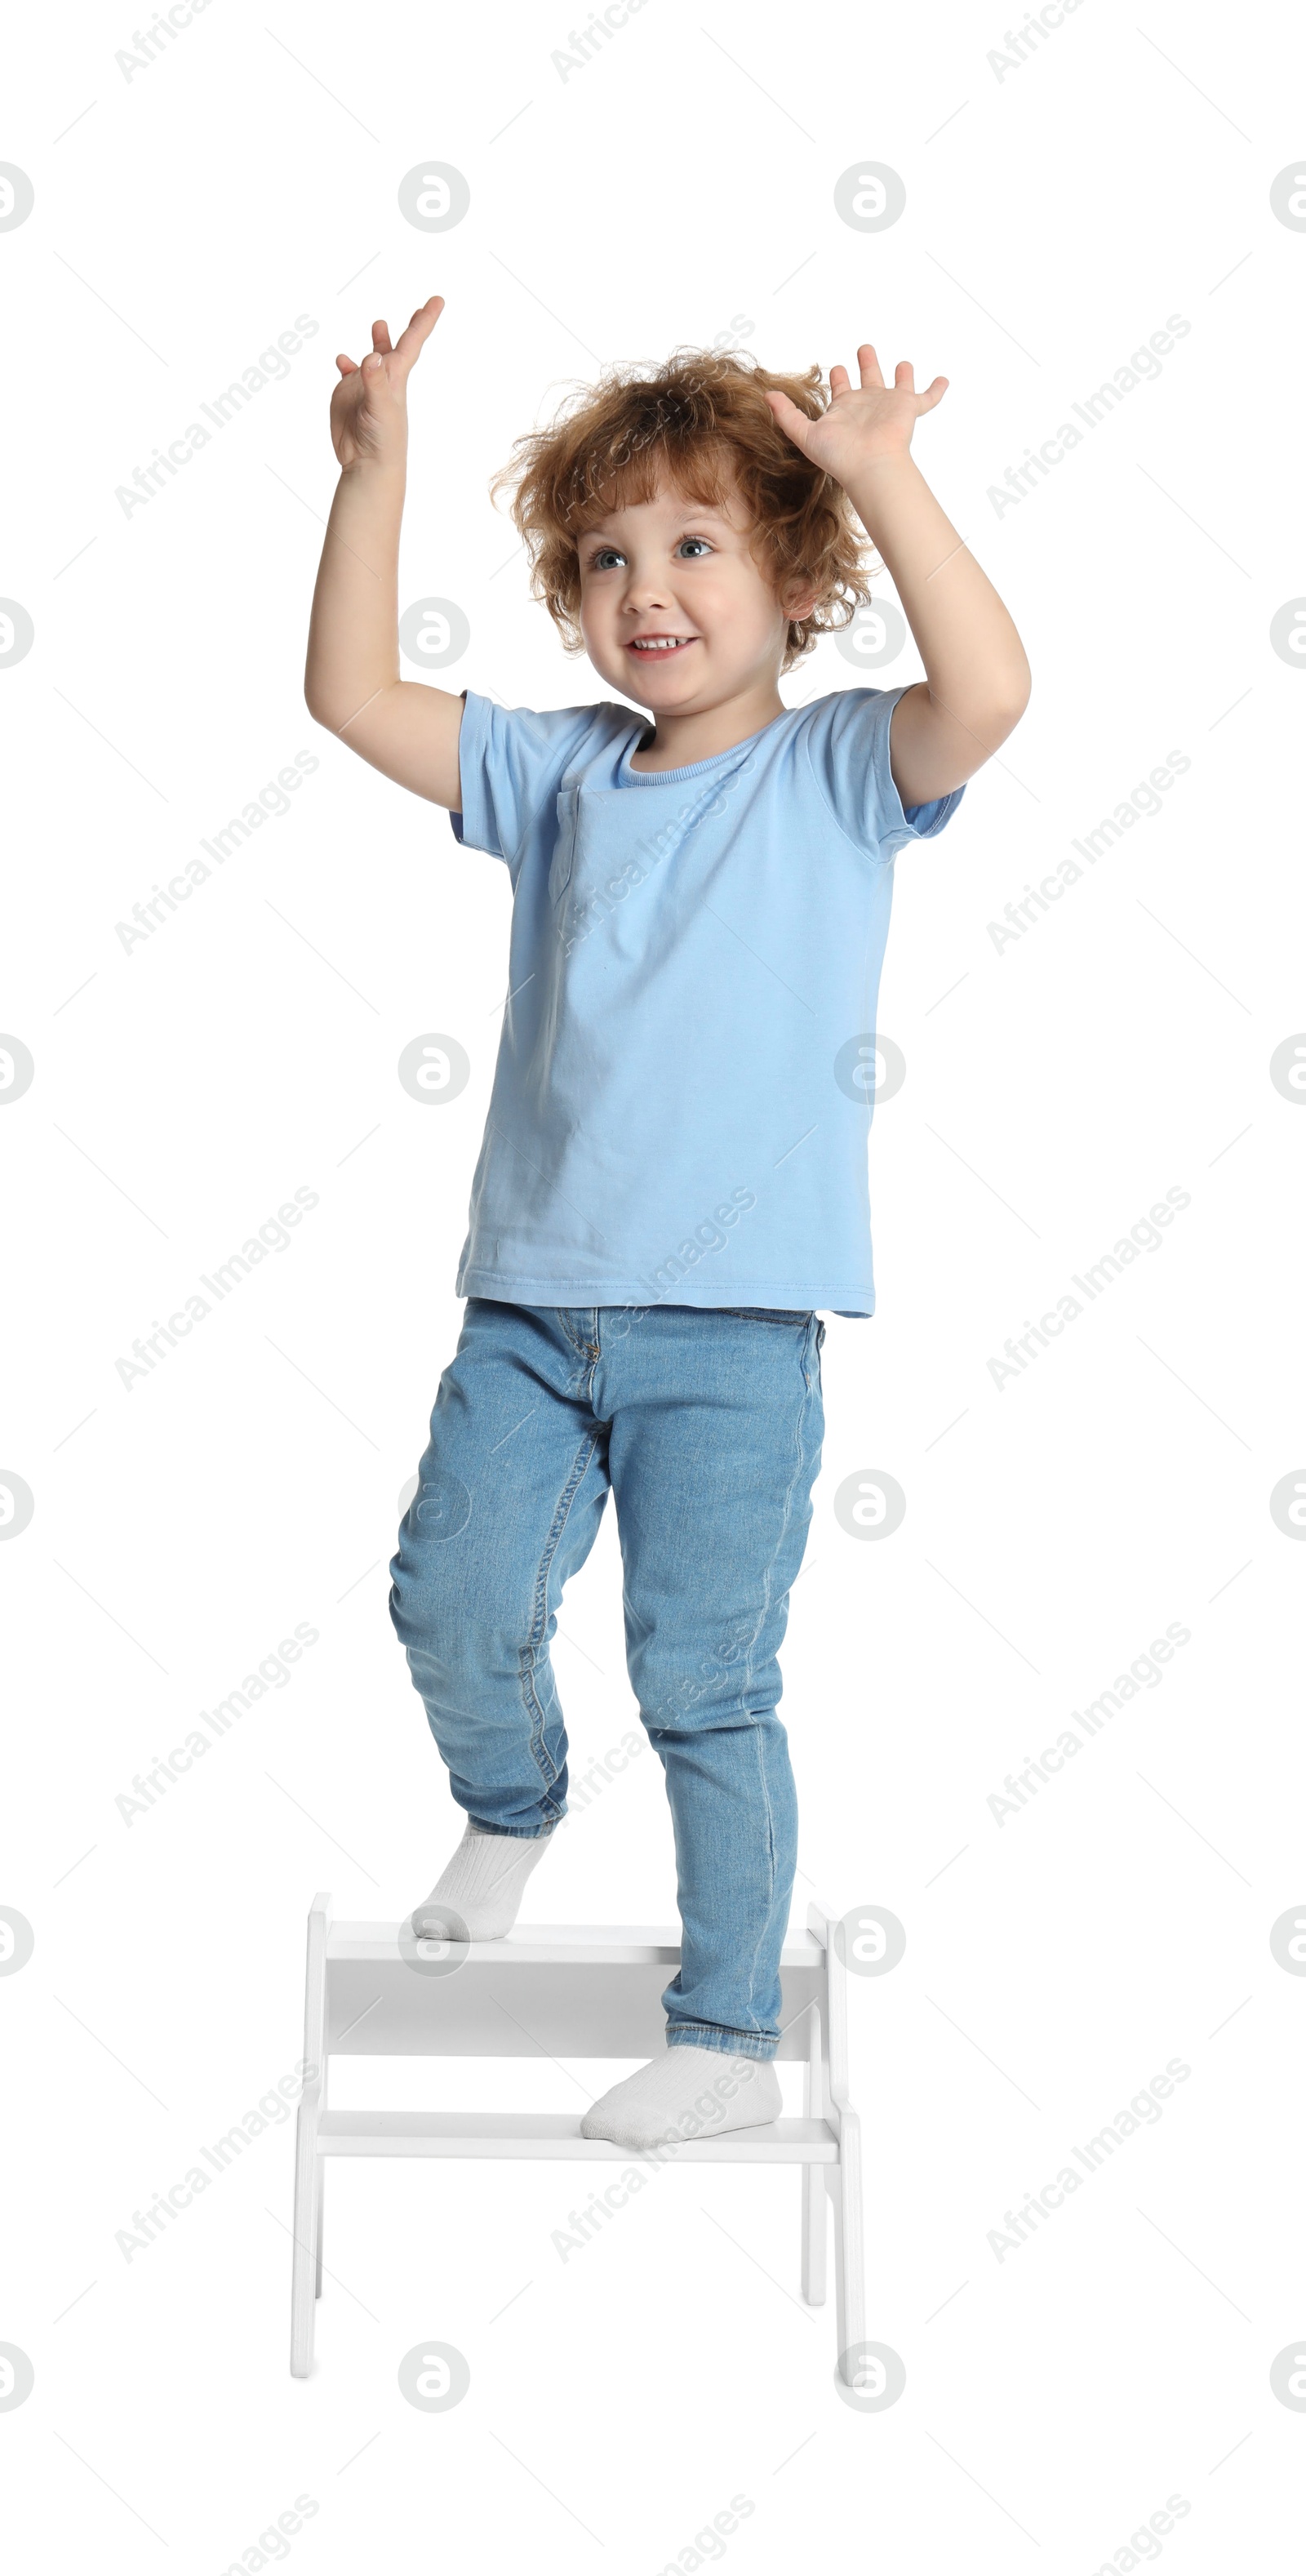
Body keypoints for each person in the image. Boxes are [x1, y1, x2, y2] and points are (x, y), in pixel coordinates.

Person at [303, 296, 1030, 2152]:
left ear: (793, 578)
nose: (647, 587)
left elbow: (990, 696)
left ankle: (718, 2038)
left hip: (734, 1329)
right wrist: (373, 478)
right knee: (449, 1598)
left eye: (696, 543)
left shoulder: (838, 771)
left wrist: (887, 473)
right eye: (606, 557)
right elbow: (353, 697)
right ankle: (515, 1803)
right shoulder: (553, 779)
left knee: (704, 1678)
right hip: (532, 1316)